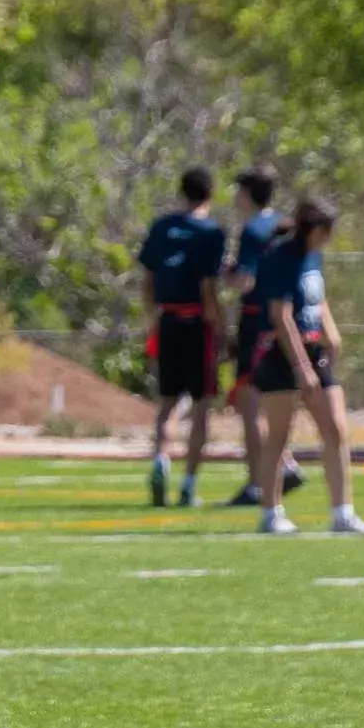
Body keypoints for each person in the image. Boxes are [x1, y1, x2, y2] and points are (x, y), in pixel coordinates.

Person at [253, 199, 364, 536]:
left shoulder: (314, 256)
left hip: (313, 348)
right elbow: (280, 315)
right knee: (279, 436)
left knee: (335, 429)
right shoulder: (280, 257)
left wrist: (330, 333)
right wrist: (301, 367)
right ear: (317, 229)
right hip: (282, 353)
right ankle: (271, 512)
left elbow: (318, 298)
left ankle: (343, 513)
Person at [135, 168, 227, 508]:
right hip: (196, 323)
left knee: (167, 400)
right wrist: (219, 326)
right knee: (202, 404)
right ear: (210, 193)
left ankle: (160, 458)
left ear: (181, 191)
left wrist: (152, 318)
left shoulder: (161, 227)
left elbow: (148, 277)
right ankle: (188, 484)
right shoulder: (210, 232)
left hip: (167, 319)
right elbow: (208, 287)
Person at [223, 168, 303, 506]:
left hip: (256, 321)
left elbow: (247, 281)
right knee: (276, 398)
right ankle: (286, 463)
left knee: (250, 401)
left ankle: (259, 480)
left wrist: (226, 271)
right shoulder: (284, 224)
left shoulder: (253, 231)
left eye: (238, 191)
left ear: (247, 194)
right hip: (286, 319)